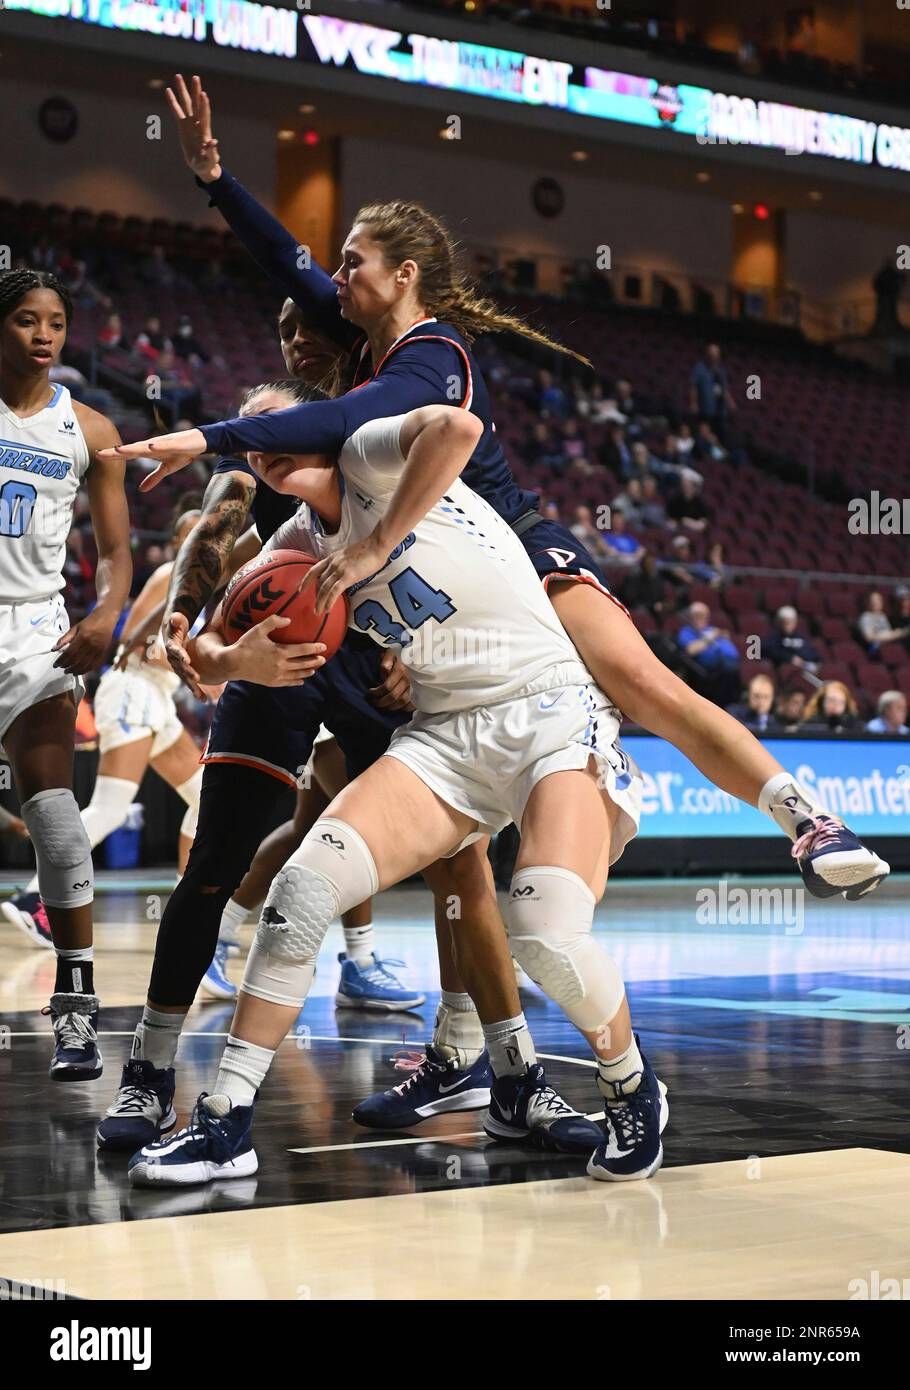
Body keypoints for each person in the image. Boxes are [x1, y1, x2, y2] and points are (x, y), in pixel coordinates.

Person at [132, 72, 889, 913]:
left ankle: (809, 820)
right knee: (445, 808)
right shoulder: (363, 331)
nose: (335, 273)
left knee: (644, 688)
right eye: (339, 263)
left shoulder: (435, 356)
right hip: (435, 584)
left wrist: (209, 435)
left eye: (353, 262)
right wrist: (213, 178)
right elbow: (285, 257)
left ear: (405, 273)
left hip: (515, 553)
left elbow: (344, 416)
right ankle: (467, 1021)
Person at [125, 398, 668, 1187]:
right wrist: (233, 659)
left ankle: (628, 1085)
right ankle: (224, 1124)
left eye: (284, 435)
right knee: (303, 889)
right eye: (260, 447)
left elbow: (458, 425)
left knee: (544, 931)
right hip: (445, 732)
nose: (270, 456)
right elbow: (208, 646)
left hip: (548, 706)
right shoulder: (295, 541)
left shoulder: (379, 461)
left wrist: (376, 541)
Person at [0, 269, 132, 1078]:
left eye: (54, 322)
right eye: (24, 320)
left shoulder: (90, 429)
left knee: (54, 814)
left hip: (39, 636)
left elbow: (116, 556)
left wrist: (107, 613)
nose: (43, 335)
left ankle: (76, 1009)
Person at [1, 503, 204, 948]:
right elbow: (139, 642)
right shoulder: (171, 573)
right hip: (132, 691)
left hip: (155, 699)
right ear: (175, 542)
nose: (198, 543)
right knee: (111, 808)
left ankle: (192, 907)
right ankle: (33, 898)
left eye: (204, 534)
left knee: (206, 798)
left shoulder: (200, 584)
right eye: (189, 534)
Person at [676, 602, 740, 707]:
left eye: (704, 615)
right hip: (708, 669)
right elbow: (690, 650)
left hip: (729, 664)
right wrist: (709, 638)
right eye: (698, 615)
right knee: (729, 669)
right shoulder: (687, 631)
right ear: (691, 616)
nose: (701, 618)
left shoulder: (712, 630)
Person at [689, 343, 736, 440]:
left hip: (720, 411)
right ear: (707, 355)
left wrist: (730, 402)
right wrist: (693, 403)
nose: (714, 357)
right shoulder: (699, 368)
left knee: (720, 435)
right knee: (705, 435)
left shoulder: (721, 371)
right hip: (705, 410)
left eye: (716, 355)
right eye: (712, 355)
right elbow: (693, 387)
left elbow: (724, 389)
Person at [764, 605, 820, 672]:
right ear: (779, 622)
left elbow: (811, 654)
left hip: (804, 671)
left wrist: (811, 662)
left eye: (791, 621)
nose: (788, 624)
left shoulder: (801, 637)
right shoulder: (773, 637)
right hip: (783, 671)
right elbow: (770, 651)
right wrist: (790, 658)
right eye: (785, 622)